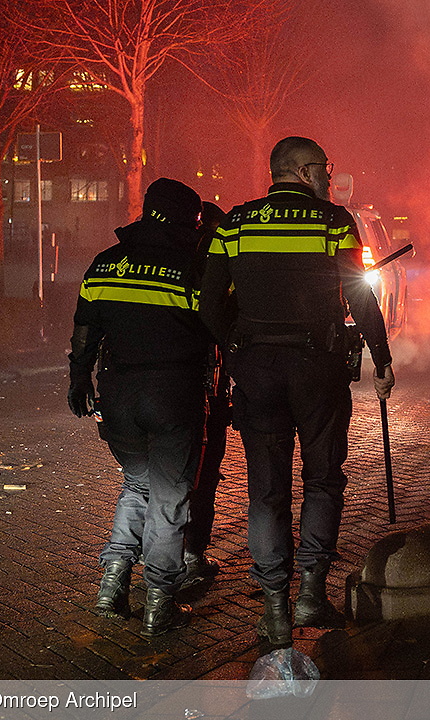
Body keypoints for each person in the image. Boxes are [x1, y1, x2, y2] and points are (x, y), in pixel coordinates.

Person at [199, 136, 395, 647]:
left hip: (257, 368)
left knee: (266, 488)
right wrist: (382, 358)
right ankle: (311, 590)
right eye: (324, 168)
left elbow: (208, 301)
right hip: (318, 367)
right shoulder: (333, 222)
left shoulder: (235, 224)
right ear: (302, 171)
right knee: (324, 479)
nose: (330, 176)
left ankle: (274, 608)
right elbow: (359, 292)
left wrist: (237, 350)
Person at [67, 178, 209, 638]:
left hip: (118, 399)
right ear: (187, 219)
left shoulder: (107, 262)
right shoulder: (192, 266)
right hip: (172, 396)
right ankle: (158, 603)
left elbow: (85, 330)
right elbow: (219, 330)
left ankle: (111, 584)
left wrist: (77, 380)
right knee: (168, 499)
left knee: (137, 483)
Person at [183, 202, 230, 581]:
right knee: (204, 476)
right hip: (206, 392)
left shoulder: (171, 265)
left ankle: (157, 557)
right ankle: (191, 556)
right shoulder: (217, 271)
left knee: (159, 482)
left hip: (169, 388)